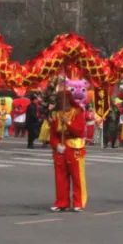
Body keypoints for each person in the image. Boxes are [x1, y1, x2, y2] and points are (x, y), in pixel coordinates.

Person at [49, 84, 89, 213]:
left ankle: (78, 202)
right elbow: (53, 134)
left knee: (77, 176)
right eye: (59, 100)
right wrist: (56, 145)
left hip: (74, 147)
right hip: (61, 148)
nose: (61, 102)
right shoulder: (56, 114)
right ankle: (62, 202)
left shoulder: (78, 112)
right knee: (60, 177)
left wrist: (68, 123)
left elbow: (79, 131)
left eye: (63, 100)